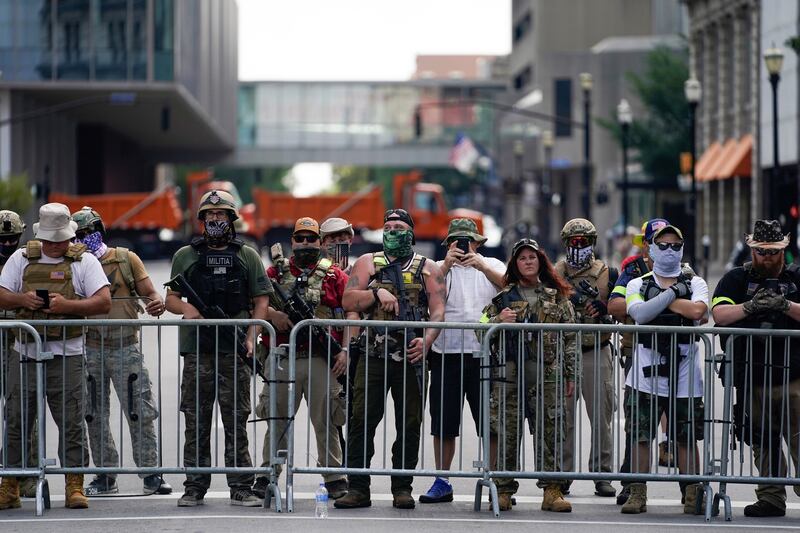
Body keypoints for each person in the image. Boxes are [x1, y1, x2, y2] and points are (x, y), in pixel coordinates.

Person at [0, 203, 111, 510]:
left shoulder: (84, 261)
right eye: (50, 239)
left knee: (72, 422)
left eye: (60, 239)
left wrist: (67, 306)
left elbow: (103, 301)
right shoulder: (21, 258)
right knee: (17, 420)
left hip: (68, 355)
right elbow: (1, 294)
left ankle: (74, 484)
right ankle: (9, 484)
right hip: (25, 353)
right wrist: (23, 299)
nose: (54, 245)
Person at [334, 208, 445, 510]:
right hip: (372, 357)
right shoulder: (367, 262)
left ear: (411, 232)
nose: (393, 231)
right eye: (388, 227)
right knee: (361, 422)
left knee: (409, 424)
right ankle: (358, 488)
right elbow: (348, 300)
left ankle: (402, 487)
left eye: (399, 227)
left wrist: (428, 340)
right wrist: (376, 293)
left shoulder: (428, 268)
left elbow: (438, 311)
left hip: (411, 357)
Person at [165, 190, 270, 507]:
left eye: (221, 214)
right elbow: (171, 298)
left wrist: (251, 336)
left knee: (236, 420)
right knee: (196, 421)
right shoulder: (185, 255)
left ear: (231, 219)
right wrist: (187, 308)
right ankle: (194, 486)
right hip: (197, 350)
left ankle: (241, 486)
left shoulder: (247, 255)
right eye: (210, 215)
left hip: (233, 350)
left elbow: (261, 301)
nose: (215, 219)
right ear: (202, 220)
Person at [70, 207, 172, 496]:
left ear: (100, 230)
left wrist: (156, 303)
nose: (85, 238)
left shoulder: (125, 259)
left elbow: (151, 292)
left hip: (125, 346)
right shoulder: (73, 265)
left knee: (139, 410)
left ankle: (151, 473)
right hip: (90, 348)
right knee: (93, 414)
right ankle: (105, 475)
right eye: (79, 234)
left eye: (90, 231)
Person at [252, 217, 353, 500]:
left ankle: (334, 476)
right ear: (292, 241)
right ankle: (268, 473)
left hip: (321, 359)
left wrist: (345, 350)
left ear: (320, 242)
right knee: (277, 420)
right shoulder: (274, 273)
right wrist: (274, 315)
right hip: (283, 356)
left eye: (311, 239)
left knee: (326, 420)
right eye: (300, 238)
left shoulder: (334, 275)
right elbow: (255, 304)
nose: (305, 243)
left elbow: (351, 313)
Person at [481, 238, 577, 513]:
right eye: (522, 258)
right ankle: (503, 490)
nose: (528, 262)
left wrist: (571, 374)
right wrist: (498, 321)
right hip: (510, 378)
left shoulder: (556, 296)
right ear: (515, 264)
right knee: (507, 432)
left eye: (532, 257)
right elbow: (480, 328)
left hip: (547, 376)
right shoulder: (503, 298)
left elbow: (571, 336)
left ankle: (552, 491)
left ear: (540, 261)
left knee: (551, 433)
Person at [711, 219, 800, 518]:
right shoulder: (736, 279)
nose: (767, 257)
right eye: (761, 251)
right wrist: (750, 307)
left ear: (783, 249)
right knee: (762, 439)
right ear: (752, 249)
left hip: (794, 375)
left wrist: (785, 305)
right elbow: (719, 314)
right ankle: (771, 497)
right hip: (752, 375)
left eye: (773, 251)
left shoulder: (796, 277)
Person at [622, 224, 708, 515]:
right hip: (645, 374)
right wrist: (673, 295)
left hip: (685, 373)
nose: (670, 250)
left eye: (676, 246)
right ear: (651, 248)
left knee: (686, 436)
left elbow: (698, 312)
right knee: (640, 435)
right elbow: (640, 313)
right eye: (664, 245)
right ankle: (637, 493)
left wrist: (659, 300)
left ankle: (692, 493)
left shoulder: (696, 282)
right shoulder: (637, 283)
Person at [420, 219, 504, 504]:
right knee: (443, 423)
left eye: (468, 241)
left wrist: (482, 266)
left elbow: (511, 286)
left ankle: (494, 479)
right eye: (457, 242)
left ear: (478, 243)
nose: (463, 247)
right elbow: (423, 292)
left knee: (490, 423)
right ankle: (442, 480)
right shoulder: (437, 267)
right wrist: (446, 265)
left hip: (485, 355)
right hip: (446, 354)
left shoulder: (492, 264)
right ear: (448, 244)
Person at [554, 218, 616, 498]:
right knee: (563, 417)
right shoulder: (555, 272)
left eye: (584, 242)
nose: (579, 246)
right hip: (563, 352)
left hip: (596, 349)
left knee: (601, 417)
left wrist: (603, 308)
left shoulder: (605, 272)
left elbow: (619, 306)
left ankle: (602, 474)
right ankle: (562, 474)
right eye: (574, 242)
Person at [0, 210, 38, 499]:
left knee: (20, 411)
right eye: (2, 239)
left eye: (12, 238)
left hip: (18, 340)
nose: (7, 244)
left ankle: (24, 476)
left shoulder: (27, 261)